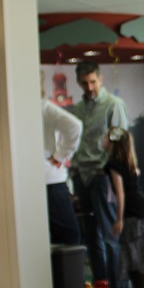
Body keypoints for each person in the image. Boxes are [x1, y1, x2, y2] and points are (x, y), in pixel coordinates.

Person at [69, 62, 129, 288]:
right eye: (84, 83)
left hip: (103, 176)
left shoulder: (113, 105)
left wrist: (106, 170)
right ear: (79, 83)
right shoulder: (77, 110)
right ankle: (101, 285)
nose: (89, 87)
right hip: (81, 176)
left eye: (93, 81)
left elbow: (120, 142)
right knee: (91, 235)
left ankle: (118, 286)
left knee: (110, 234)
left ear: (101, 79)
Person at [102, 127, 144, 288]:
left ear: (113, 142)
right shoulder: (129, 162)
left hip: (132, 213)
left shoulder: (113, 165)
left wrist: (119, 218)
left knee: (134, 255)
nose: (103, 140)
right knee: (143, 254)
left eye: (106, 137)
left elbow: (120, 193)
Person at [42, 77, 82, 245]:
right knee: (69, 237)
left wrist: (60, 155)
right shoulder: (43, 107)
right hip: (51, 179)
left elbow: (74, 126)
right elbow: (75, 126)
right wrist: (61, 155)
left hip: (34, 181)